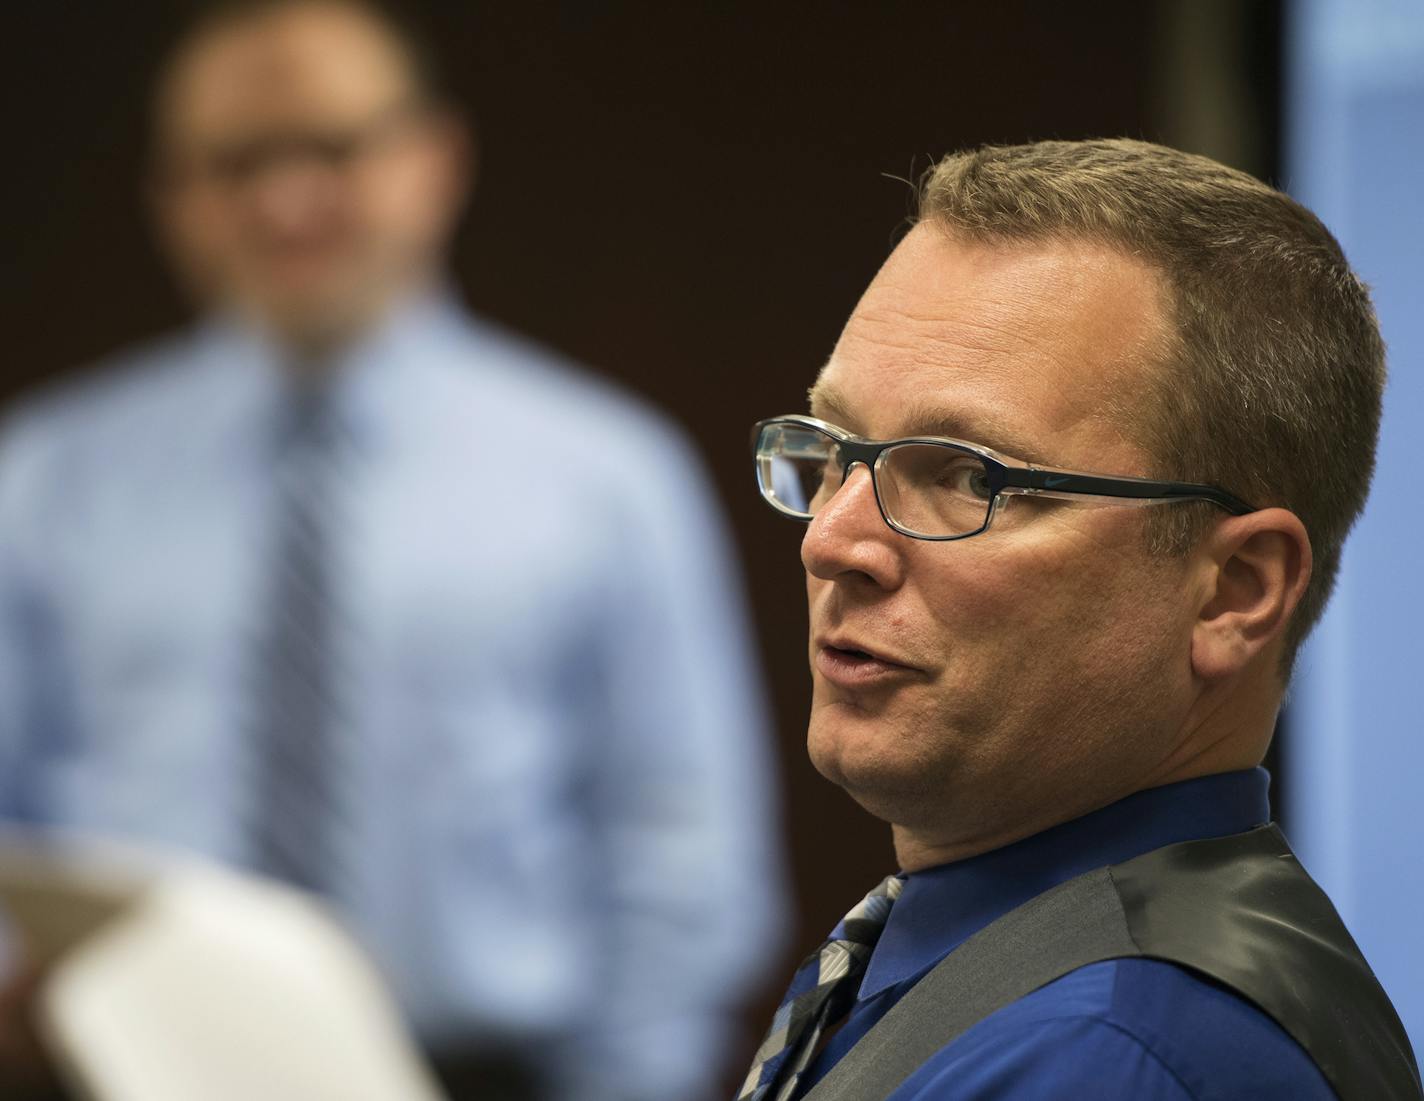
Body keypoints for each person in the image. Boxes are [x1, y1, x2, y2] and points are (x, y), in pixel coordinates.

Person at [0, 2, 783, 1099]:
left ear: (434, 158)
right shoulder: (45, 478)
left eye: (331, 147)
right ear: (170, 197)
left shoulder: (606, 476)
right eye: (234, 164)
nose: (284, 201)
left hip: (492, 1075)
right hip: (121, 1071)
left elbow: (681, 850)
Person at [737, 139, 1421, 1101]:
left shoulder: (1107, 1053)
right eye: (838, 449)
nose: (833, 542)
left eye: (971, 476)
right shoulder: (1001, 941)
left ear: (1234, 590)